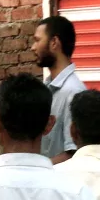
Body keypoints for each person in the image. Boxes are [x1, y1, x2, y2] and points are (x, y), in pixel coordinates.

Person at [32, 16, 86, 164]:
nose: (33, 47)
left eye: (37, 40)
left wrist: (37, 167)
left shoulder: (73, 92)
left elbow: (74, 154)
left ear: (54, 42)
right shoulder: (47, 87)